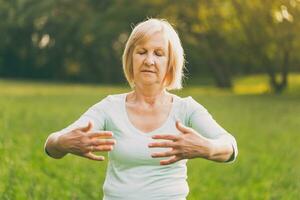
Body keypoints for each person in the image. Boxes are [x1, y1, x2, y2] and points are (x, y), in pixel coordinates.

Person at [44, 18, 238, 200]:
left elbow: (230, 146)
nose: (149, 61)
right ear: (131, 58)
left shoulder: (186, 109)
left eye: (158, 53)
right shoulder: (110, 107)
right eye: (142, 51)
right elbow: (51, 145)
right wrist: (63, 142)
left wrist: (207, 148)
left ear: (171, 63)